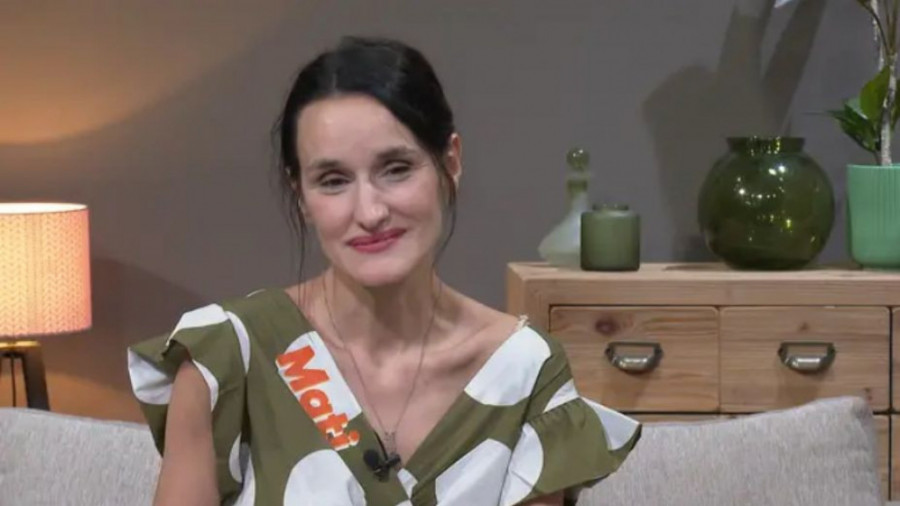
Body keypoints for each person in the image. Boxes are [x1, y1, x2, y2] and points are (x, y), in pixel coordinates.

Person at [127, 36, 641, 506]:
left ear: (451, 162)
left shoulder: (525, 373)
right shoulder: (226, 358)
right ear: (300, 195)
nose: (370, 211)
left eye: (396, 169)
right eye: (333, 180)